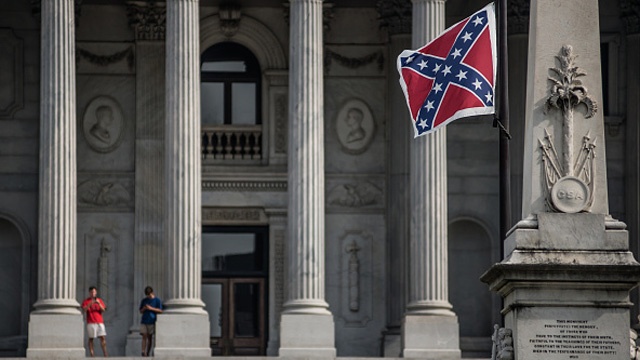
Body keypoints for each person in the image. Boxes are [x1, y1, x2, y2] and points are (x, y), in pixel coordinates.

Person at [81, 286, 108, 357]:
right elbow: (84, 310)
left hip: (99, 321)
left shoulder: (100, 300)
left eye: (94, 292)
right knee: (91, 338)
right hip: (91, 322)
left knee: (102, 337)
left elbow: (103, 310)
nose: (93, 293)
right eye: (91, 292)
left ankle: (105, 353)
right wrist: (90, 303)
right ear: (89, 293)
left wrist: (98, 303)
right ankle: (92, 354)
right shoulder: (86, 301)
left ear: (96, 293)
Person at [139, 286, 163, 357]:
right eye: (147, 295)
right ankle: (143, 352)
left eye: (149, 295)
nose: (148, 296)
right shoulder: (144, 300)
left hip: (152, 320)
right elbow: (140, 311)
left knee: (149, 337)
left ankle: (147, 352)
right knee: (144, 335)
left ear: (152, 293)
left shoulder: (157, 300)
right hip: (144, 320)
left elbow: (160, 310)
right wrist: (144, 308)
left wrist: (151, 308)